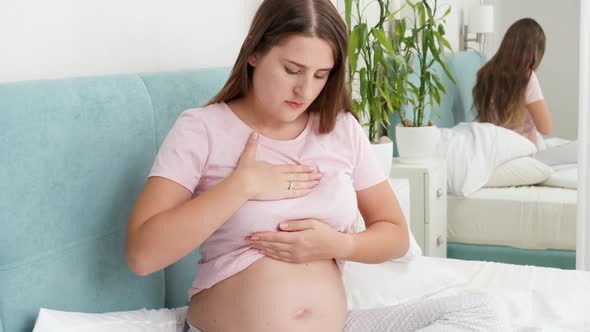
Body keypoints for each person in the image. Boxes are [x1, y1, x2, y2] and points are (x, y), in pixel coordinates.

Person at [126, 1, 508, 331]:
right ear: (253, 52)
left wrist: (338, 244)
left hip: (334, 325)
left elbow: (394, 234)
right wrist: (241, 185)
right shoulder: (203, 128)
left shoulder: (341, 129)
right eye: (292, 69)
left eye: (321, 76)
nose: (305, 91)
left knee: (481, 312)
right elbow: (143, 255)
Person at [473, 18, 552, 147]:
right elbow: (545, 127)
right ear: (534, 53)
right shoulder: (527, 78)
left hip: (494, 145)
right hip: (520, 150)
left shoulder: (485, 72)